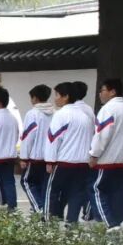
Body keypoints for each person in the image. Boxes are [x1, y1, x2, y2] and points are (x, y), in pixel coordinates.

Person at [44, 81, 94, 223]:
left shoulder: (61, 115)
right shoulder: (85, 116)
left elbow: (53, 139)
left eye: (57, 95)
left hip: (64, 161)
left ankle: (48, 219)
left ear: (66, 96)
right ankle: (71, 222)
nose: (55, 99)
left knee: (52, 190)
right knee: (76, 193)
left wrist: (50, 160)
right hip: (82, 162)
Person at [88, 78, 123, 228]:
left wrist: (94, 154)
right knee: (120, 193)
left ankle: (109, 223)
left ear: (112, 91)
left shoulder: (108, 109)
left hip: (107, 160)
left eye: (102, 90)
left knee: (96, 189)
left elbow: (102, 134)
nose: (100, 94)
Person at [19, 85, 54, 213]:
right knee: (43, 184)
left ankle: (39, 207)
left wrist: (24, 157)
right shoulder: (54, 113)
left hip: (35, 156)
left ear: (35, 98)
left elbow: (28, 136)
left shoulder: (32, 113)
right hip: (49, 156)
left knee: (26, 182)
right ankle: (43, 207)